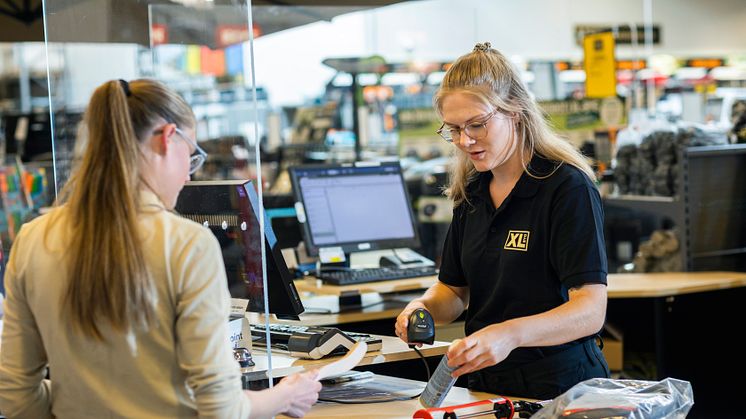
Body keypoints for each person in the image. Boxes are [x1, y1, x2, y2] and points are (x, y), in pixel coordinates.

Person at [0, 79, 321, 418]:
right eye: (192, 156)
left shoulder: (34, 239)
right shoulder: (188, 245)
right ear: (169, 138)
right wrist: (285, 396)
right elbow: (222, 409)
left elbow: (15, 396)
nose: (187, 177)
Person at [395, 43, 610, 400]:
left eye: (477, 125)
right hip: (485, 387)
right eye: (453, 129)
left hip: (559, 387)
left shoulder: (566, 187)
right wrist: (424, 307)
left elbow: (589, 309)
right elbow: (454, 291)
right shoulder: (473, 191)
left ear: (515, 111)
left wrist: (510, 334)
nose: (465, 140)